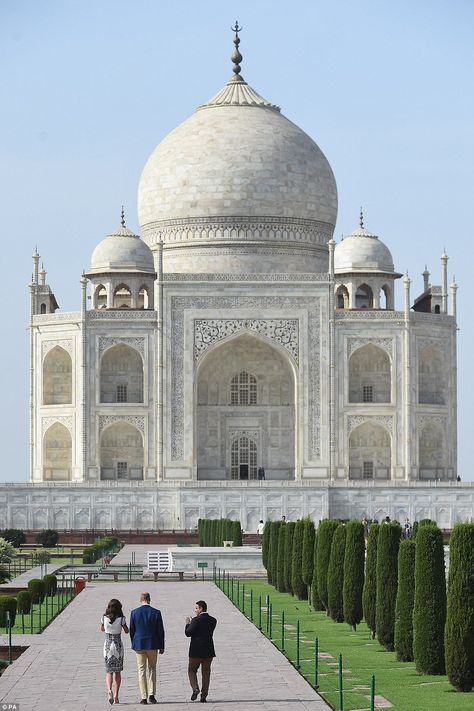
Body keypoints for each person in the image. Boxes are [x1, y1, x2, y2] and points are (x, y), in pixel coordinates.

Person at [130, 592, 165, 705]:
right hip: (152, 644)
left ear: (141, 599)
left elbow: (132, 630)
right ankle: (152, 695)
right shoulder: (156, 612)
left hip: (139, 644)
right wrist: (161, 646)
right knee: (152, 669)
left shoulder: (134, 612)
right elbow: (160, 630)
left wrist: (134, 643)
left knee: (141, 670)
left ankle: (143, 696)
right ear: (149, 600)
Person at [185, 600, 217, 703]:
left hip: (196, 651)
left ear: (201, 608)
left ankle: (195, 688)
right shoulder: (213, 620)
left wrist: (188, 624)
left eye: (196, 608)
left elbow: (188, 633)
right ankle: (204, 695)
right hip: (208, 651)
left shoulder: (196, 620)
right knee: (206, 673)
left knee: (191, 670)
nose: (195, 610)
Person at [100, 598, 129, 705]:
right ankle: (116, 696)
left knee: (109, 672)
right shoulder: (121, 619)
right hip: (118, 646)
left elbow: (102, 629)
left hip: (107, 646)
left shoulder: (104, 618)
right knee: (118, 672)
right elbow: (126, 631)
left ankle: (109, 690)